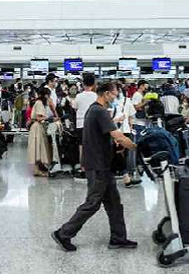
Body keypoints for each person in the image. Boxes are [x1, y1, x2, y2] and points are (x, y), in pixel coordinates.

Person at [52, 82, 138, 252]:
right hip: (98, 165)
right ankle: (64, 233)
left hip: (103, 164)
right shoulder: (99, 111)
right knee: (92, 203)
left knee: (114, 203)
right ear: (106, 94)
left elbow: (108, 135)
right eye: (115, 94)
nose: (116, 98)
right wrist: (136, 148)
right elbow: (119, 137)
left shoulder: (95, 110)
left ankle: (118, 238)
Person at [111, 83, 140, 188]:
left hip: (124, 129)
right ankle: (125, 176)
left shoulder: (125, 101)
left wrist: (131, 126)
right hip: (116, 130)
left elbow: (131, 116)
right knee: (119, 154)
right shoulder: (111, 102)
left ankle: (124, 175)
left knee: (122, 154)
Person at [29, 88, 53, 177]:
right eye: (49, 96)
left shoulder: (38, 103)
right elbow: (39, 118)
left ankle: (37, 169)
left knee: (37, 148)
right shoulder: (39, 103)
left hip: (37, 127)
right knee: (37, 148)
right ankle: (36, 170)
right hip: (37, 127)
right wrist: (50, 118)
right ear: (46, 95)